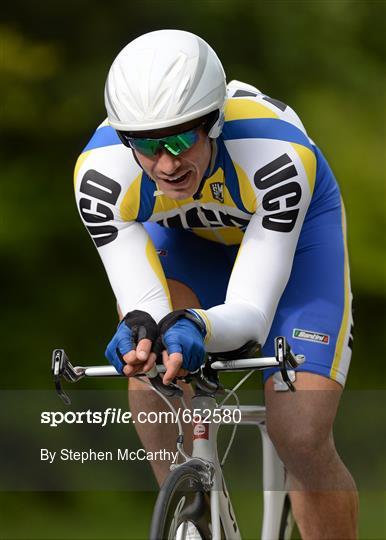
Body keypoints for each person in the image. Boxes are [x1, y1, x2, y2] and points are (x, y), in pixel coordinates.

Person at [74, 29, 358, 538]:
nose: (167, 163)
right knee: (149, 359)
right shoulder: (101, 178)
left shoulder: (275, 158)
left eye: (182, 139)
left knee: (299, 435)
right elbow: (143, 303)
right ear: (124, 140)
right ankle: (185, 513)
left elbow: (251, 313)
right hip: (187, 243)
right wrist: (148, 330)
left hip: (293, 246)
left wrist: (198, 326)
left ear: (215, 122)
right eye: (146, 145)